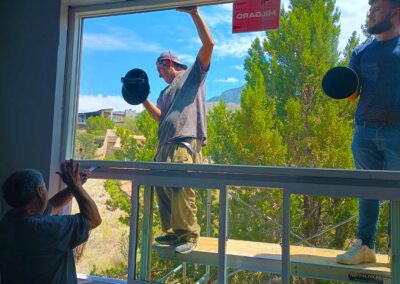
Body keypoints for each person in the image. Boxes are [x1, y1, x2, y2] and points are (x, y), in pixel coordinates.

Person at [142, 6, 214, 254]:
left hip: (184, 141)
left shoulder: (192, 75)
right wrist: (142, 98)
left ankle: (189, 234)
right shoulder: (165, 91)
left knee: (181, 187)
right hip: (165, 144)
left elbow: (209, 45)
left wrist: (194, 13)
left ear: (168, 62)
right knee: (163, 187)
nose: (159, 74)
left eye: (159, 69)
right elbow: (160, 118)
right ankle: (174, 233)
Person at [336, 0, 400, 265]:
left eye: (377, 8)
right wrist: (340, 86)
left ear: (396, 13)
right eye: (370, 9)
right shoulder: (361, 51)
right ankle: (365, 247)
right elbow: (352, 91)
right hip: (363, 130)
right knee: (367, 190)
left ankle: (396, 252)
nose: (371, 13)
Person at [0, 159, 102, 283]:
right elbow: (93, 219)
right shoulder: (46, 229)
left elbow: (53, 205)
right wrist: (76, 186)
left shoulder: (9, 220)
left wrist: (74, 185)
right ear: (40, 191)